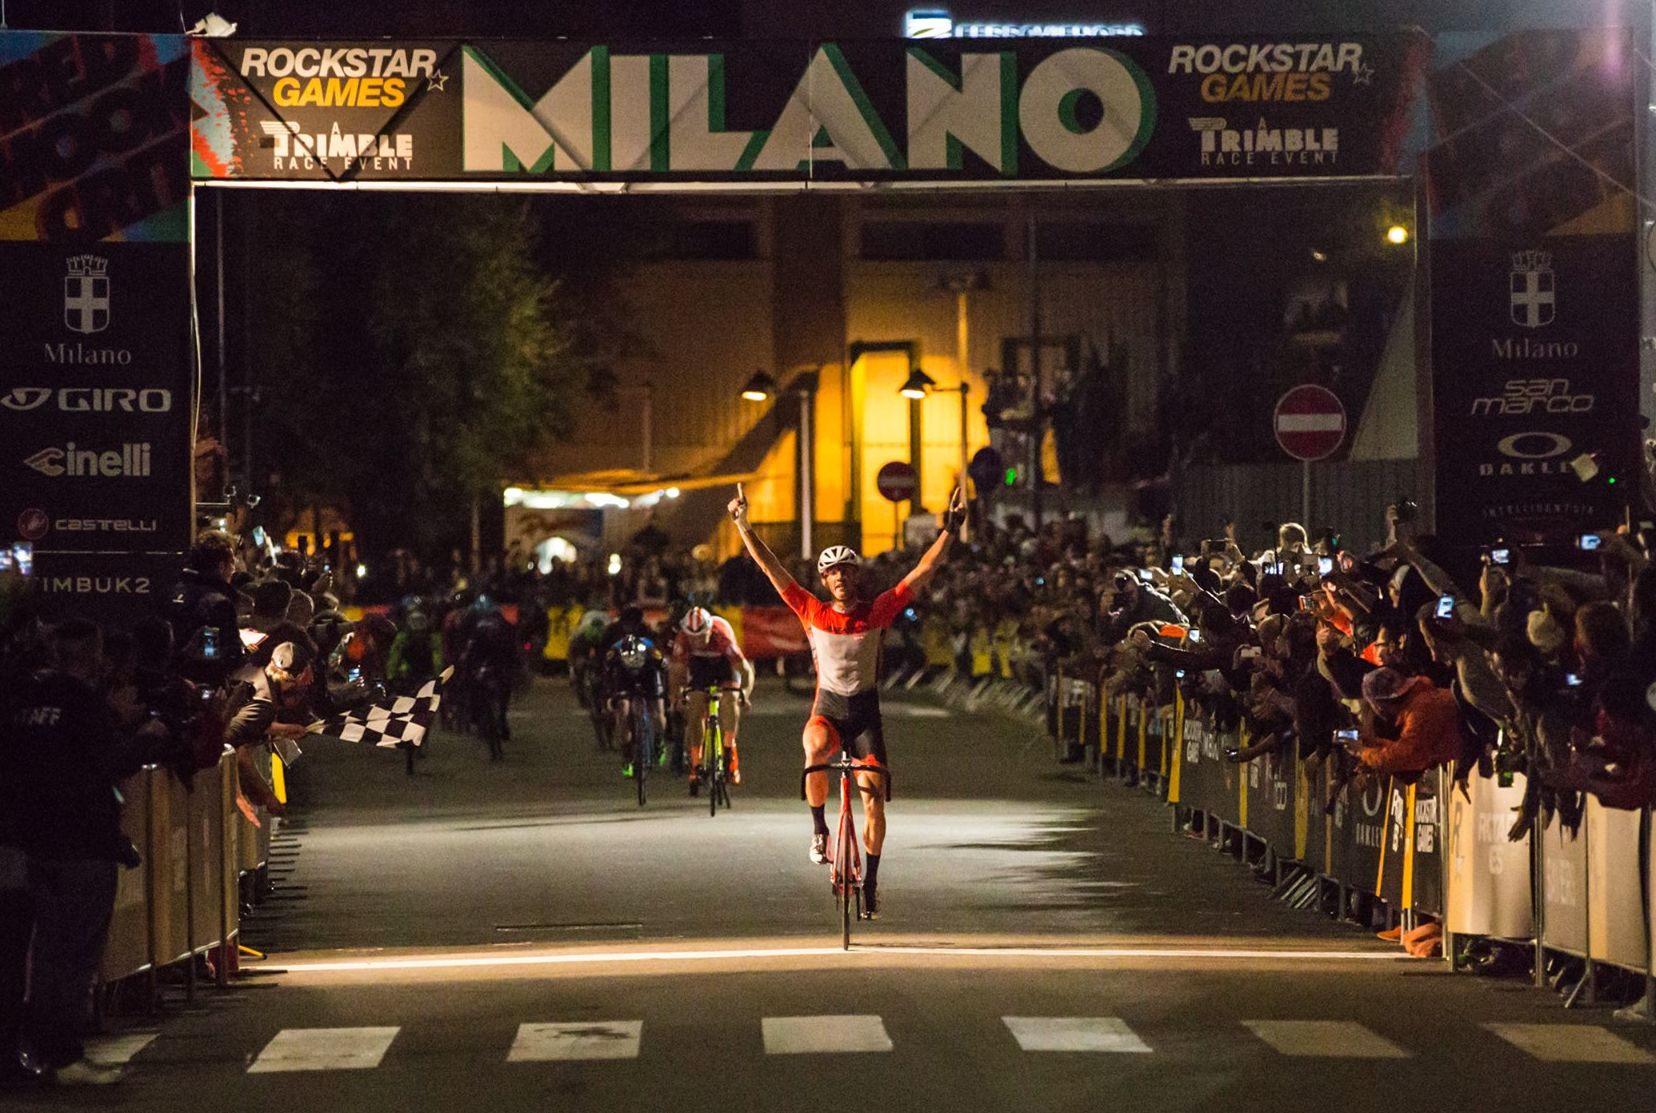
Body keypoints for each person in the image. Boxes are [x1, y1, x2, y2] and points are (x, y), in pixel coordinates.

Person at [727, 481, 966, 919]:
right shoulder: (811, 610)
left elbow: (922, 572)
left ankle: (871, 882)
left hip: (865, 714)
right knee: (815, 749)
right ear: (824, 580)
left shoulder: (877, 610)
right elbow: (770, 566)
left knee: (873, 797)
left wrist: (950, 530)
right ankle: (819, 829)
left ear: (857, 576)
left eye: (847, 571)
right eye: (832, 572)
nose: (840, 577)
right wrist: (743, 525)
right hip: (829, 708)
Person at [0, 620, 155, 1087]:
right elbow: (107, 763)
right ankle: (62, 1053)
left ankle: (30, 1052)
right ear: (93, 656)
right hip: (82, 843)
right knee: (71, 956)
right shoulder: (83, 704)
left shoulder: (21, 702)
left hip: (28, 843)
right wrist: (147, 737)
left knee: (34, 956)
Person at [669, 605, 753, 792]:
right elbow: (676, 672)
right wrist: (676, 697)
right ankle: (696, 763)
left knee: (730, 700)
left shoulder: (722, 636)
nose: (696, 641)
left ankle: (729, 751)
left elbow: (745, 671)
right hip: (700, 666)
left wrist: (745, 694)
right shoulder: (683, 638)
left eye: (700, 636)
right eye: (692, 637)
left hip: (724, 665)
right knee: (695, 707)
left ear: (709, 630)